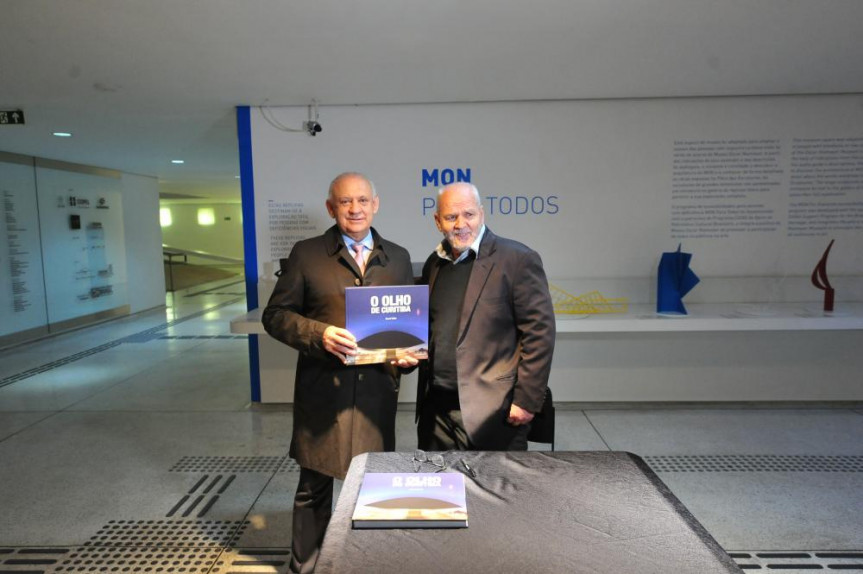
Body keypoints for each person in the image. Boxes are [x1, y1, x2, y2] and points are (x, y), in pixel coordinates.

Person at [262, 172, 413, 573]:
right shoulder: (307, 254)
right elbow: (275, 316)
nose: (355, 209)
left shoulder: (397, 257)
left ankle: (367, 563)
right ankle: (306, 567)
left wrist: (405, 355)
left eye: (362, 200)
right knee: (314, 487)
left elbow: (403, 325)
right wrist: (319, 333)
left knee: (374, 484)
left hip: (376, 393)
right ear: (331, 208)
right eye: (345, 202)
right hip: (322, 392)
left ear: (375, 204)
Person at [416, 182, 556, 451]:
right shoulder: (435, 264)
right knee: (443, 493)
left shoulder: (517, 259)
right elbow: (430, 328)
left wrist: (526, 400)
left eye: (468, 214)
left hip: (495, 412)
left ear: (482, 213)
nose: (460, 224)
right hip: (436, 412)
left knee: (494, 491)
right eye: (451, 217)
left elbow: (540, 335)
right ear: (437, 221)